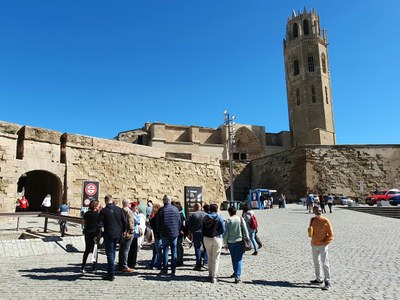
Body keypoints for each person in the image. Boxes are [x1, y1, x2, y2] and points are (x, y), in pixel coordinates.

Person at [97, 195, 126, 281]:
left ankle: (111, 273)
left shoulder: (104, 211)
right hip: (117, 234)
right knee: (113, 251)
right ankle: (111, 269)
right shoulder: (119, 209)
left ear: (106, 201)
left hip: (109, 233)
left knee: (110, 253)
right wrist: (123, 231)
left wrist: (100, 234)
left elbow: (99, 223)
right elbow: (124, 222)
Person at [308, 206, 334, 290]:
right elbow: (311, 231)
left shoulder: (325, 221)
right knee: (316, 263)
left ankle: (327, 281)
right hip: (314, 244)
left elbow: (331, 234)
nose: (318, 212)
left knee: (325, 263)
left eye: (319, 211)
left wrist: (325, 243)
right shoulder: (312, 220)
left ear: (321, 211)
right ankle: (318, 279)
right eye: (316, 211)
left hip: (322, 245)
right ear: (313, 211)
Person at [156, 194, 182, 276]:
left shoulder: (162, 210)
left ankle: (165, 269)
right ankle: (173, 269)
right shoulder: (175, 209)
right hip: (174, 233)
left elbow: (158, 222)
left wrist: (159, 230)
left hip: (164, 233)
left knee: (166, 251)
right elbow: (179, 221)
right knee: (174, 251)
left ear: (164, 201)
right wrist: (177, 230)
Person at [223, 206, 250, 284]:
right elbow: (245, 229)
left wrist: (225, 243)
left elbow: (226, 233)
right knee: (239, 258)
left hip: (231, 242)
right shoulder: (240, 219)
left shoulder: (228, 221)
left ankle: (235, 272)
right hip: (239, 241)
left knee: (233, 257)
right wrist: (247, 239)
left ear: (229, 212)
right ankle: (237, 275)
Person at [202, 203, 225, 283]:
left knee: (209, 256)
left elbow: (202, 228)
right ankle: (214, 277)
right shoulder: (219, 217)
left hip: (207, 238)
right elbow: (223, 229)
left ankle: (210, 274)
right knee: (216, 258)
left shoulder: (205, 217)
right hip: (216, 238)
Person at [187, 202, 208, 271]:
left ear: (195, 208)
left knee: (197, 248)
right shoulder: (206, 215)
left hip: (196, 233)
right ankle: (205, 262)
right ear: (201, 207)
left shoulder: (193, 215)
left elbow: (189, 226)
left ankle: (198, 264)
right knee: (205, 248)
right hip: (204, 233)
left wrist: (190, 235)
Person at [81, 200, 100, 273]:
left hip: (88, 233)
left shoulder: (87, 213)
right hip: (95, 234)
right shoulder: (98, 215)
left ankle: (83, 266)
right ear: (95, 206)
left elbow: (83, 222)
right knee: (94, 250)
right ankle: (94, 267)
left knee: (87, 250)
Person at [118, 199, 134, 273]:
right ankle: (124, 265)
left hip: (122, 232)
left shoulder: (121, 210)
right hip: (128, 232)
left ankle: (120, 264)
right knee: (126, 249)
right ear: (127, 204)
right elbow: (130, 221)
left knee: (122, 249)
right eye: (130, 203)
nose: (131, 204)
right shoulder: (128, 211)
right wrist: (131, 230)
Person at [149, 203, 162, 270]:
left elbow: (152, 225)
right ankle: (155, 263)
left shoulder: (154, 216)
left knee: (156, 251)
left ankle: (155, 263)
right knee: (157, 251)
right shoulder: (158, 216)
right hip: (158, 235)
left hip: (156, 234)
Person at [127, 202, 140, 269]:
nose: (136, 208)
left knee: (135, 248)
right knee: (132, 248)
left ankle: (133, 261)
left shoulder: (135, 213)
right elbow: (137, 221)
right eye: (135, 207)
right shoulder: (132, 213)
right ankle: (131, 262)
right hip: (133, 232)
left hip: (136, 233)